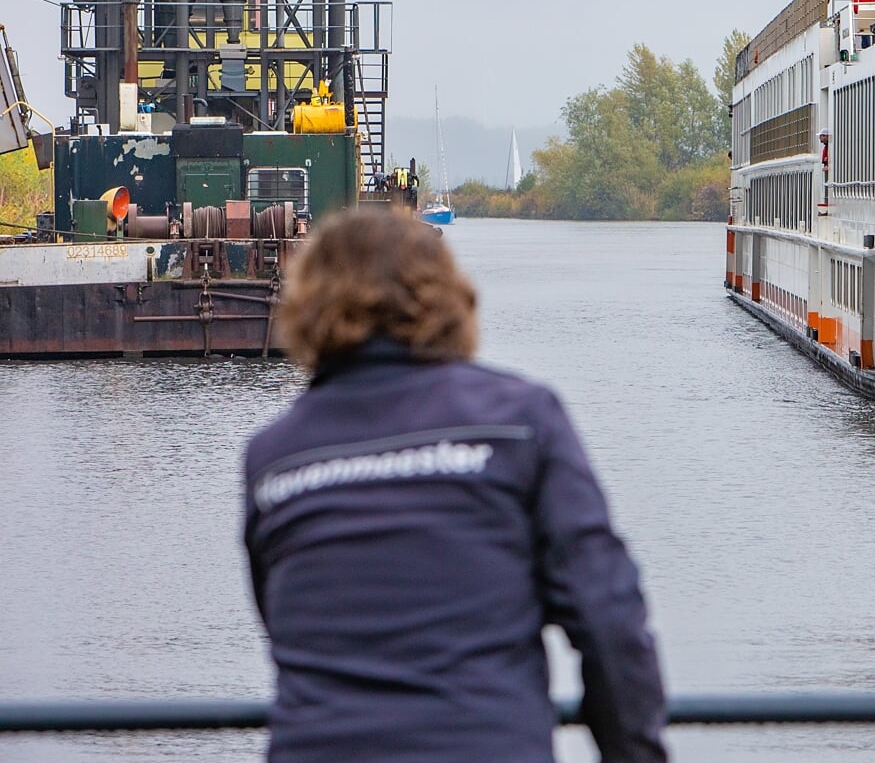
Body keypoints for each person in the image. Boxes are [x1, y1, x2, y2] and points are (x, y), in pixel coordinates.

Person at [243, 207, 669, 763]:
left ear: (308, 306)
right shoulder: (520, 422)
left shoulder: (277, 456)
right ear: (447, 296)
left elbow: (282, 624)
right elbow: (608, 617)